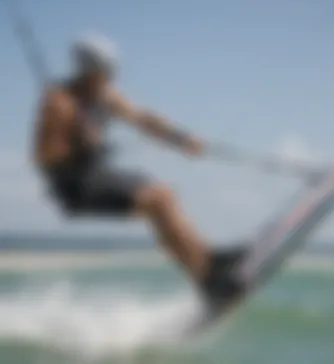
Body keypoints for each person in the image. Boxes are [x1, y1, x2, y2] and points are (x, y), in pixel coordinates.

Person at [33, 34, 245, 309]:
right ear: (88, 71)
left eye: (111, 72)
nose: (111, 78)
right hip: (73, 185)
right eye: (105, 72)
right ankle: (208, 282)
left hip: (97, 175)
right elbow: (44, 157)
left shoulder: (104, 95)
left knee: (164, 195)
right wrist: (77, 139)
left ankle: (206, 258)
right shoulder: (58, 102)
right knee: (157, 200)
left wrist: (181, 139)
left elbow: (142, 119)